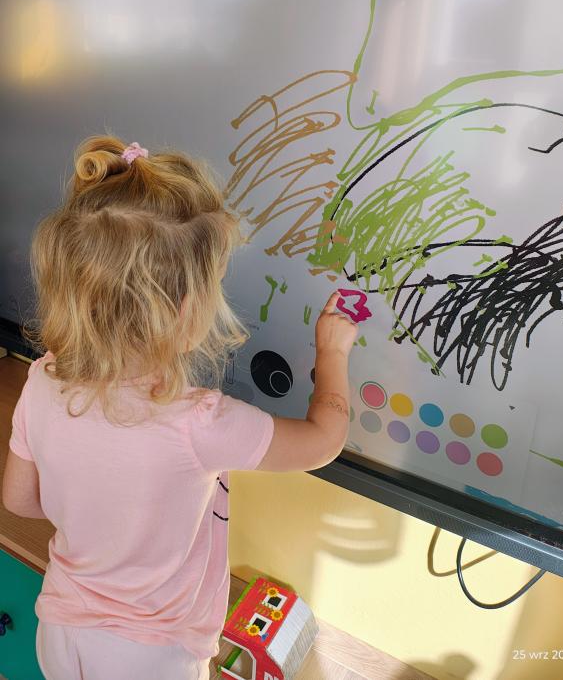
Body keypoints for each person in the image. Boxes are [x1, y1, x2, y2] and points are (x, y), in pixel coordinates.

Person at [2, 134, 358, 680]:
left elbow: (19, 500)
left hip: (60, 630)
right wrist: (332, 354)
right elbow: (323, 441)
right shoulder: (198, 421)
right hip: (151, 654)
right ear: (187, 312)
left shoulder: (41, 378)